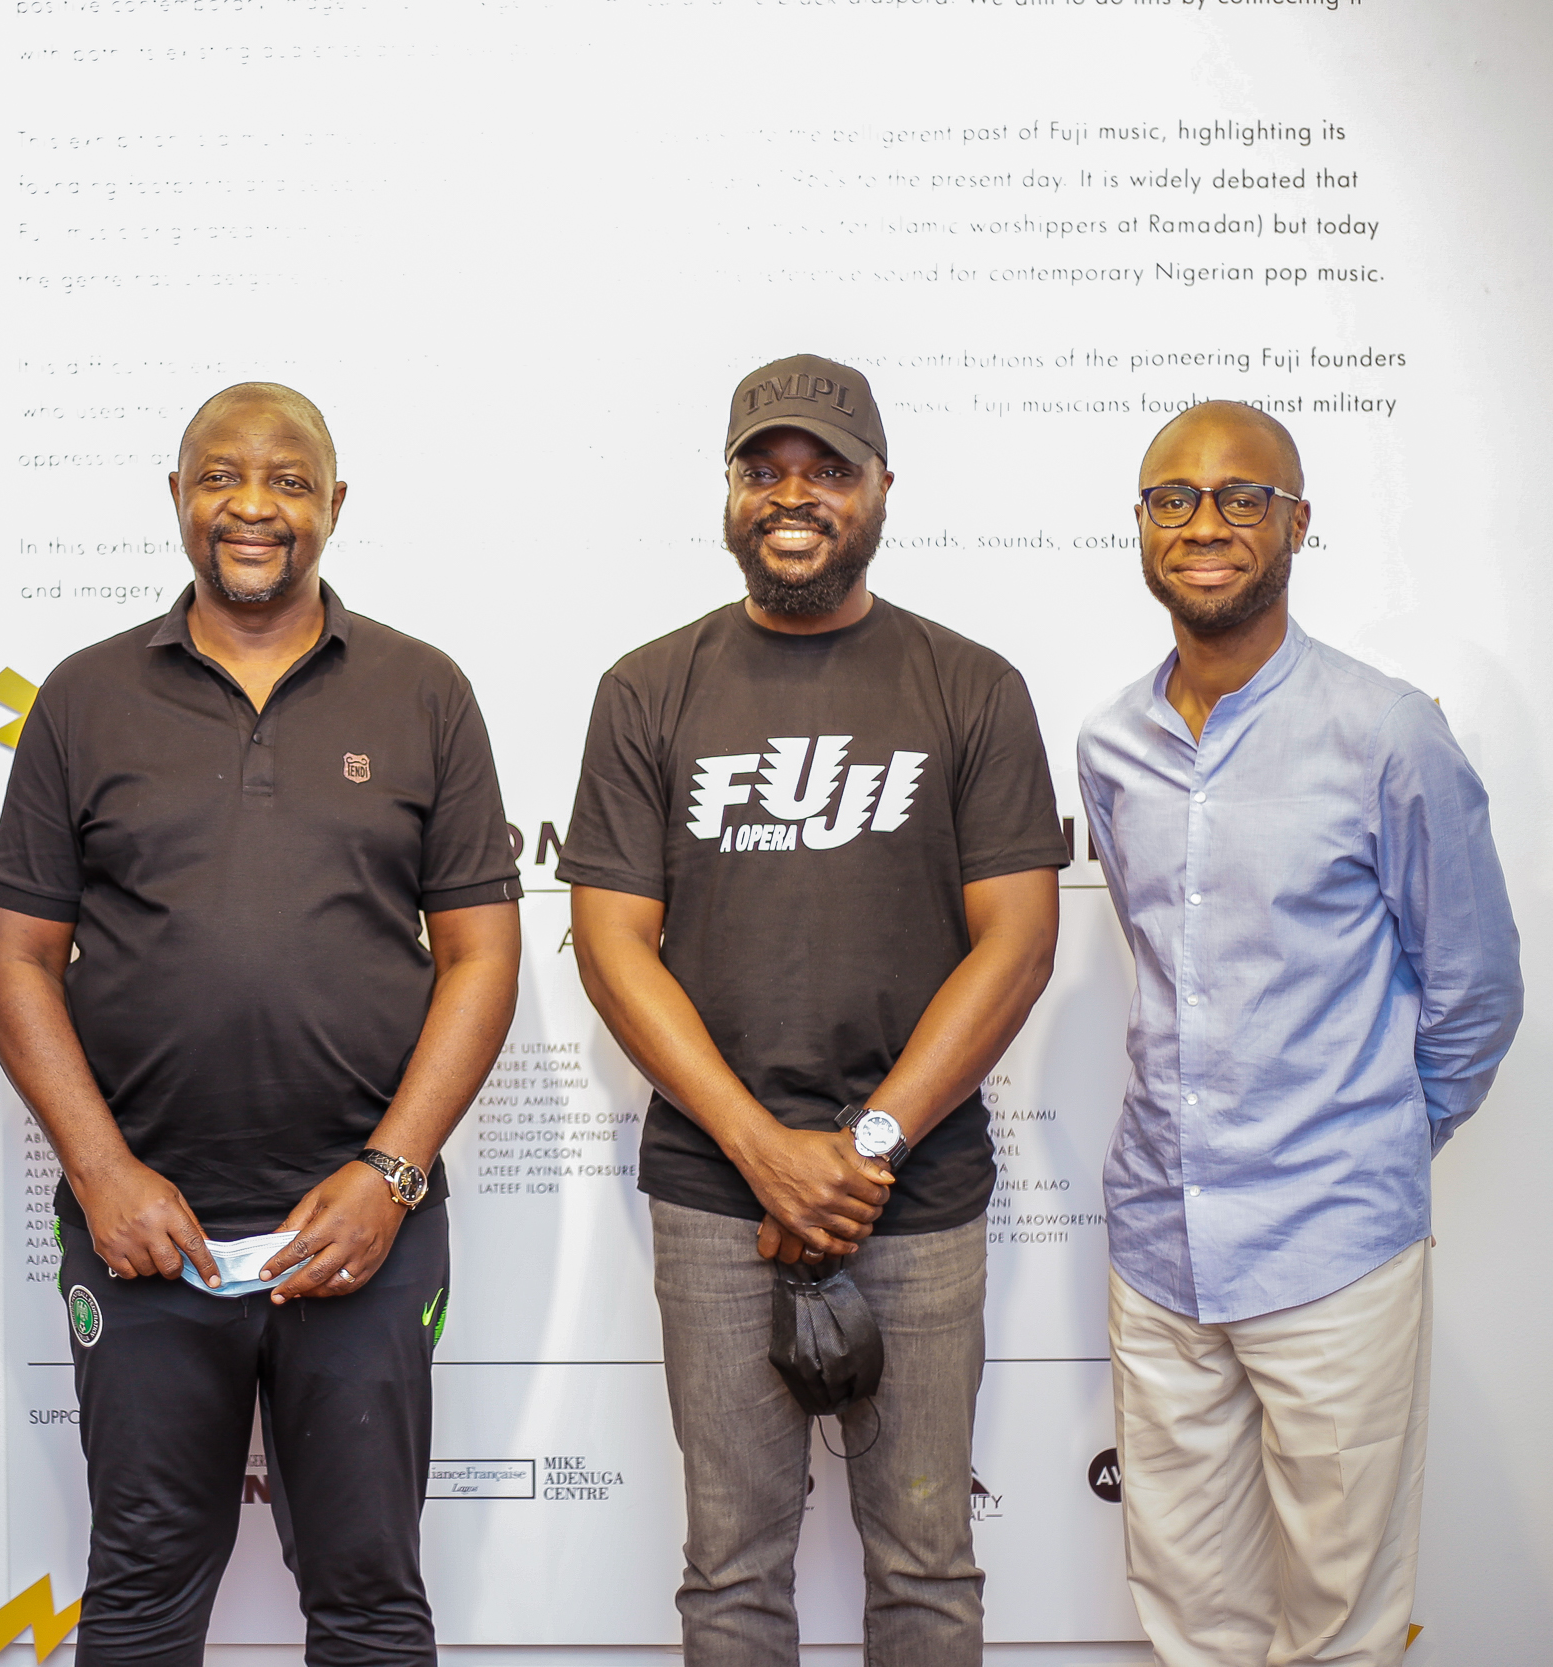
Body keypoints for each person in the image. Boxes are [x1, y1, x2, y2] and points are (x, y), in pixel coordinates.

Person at [0, 383, 522, 1666]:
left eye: (288, 478)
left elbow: (482, 956)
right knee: (139, 1598)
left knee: (370, 1599)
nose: (253, 505)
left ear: (335, 503)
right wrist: (101, 1174)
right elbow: (15, 959)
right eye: (221, 475)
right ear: (177, 496)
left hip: (363, 1232)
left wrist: (391, 1174)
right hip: (145, 1237)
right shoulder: (84, 696)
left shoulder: (423, 690)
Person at [558, 355, 1067, 1665]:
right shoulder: (647, 688)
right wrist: (765, 1152)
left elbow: (1016, 943)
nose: (793, 494)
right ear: (729, 491)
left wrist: (866, 1146)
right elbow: (611, 948)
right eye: (763, 468)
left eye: (827, 468)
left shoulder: (970, 685)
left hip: (918, 1190)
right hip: (716, 1194)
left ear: (881, 487)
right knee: (731, 1572)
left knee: (927, 1566)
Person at [1077, 402, 1521, 1667]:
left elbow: (1475, 987)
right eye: (1173, 497)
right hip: (1158, 1241)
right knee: (1187, 1613)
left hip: (1332, 1244)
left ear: (1297, 522)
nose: (1204, 523)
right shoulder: (1108, 746)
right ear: (1142, 525)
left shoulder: (1387, 731)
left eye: (1242, 496)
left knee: (1340, 1623)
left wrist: (1370, 1141)